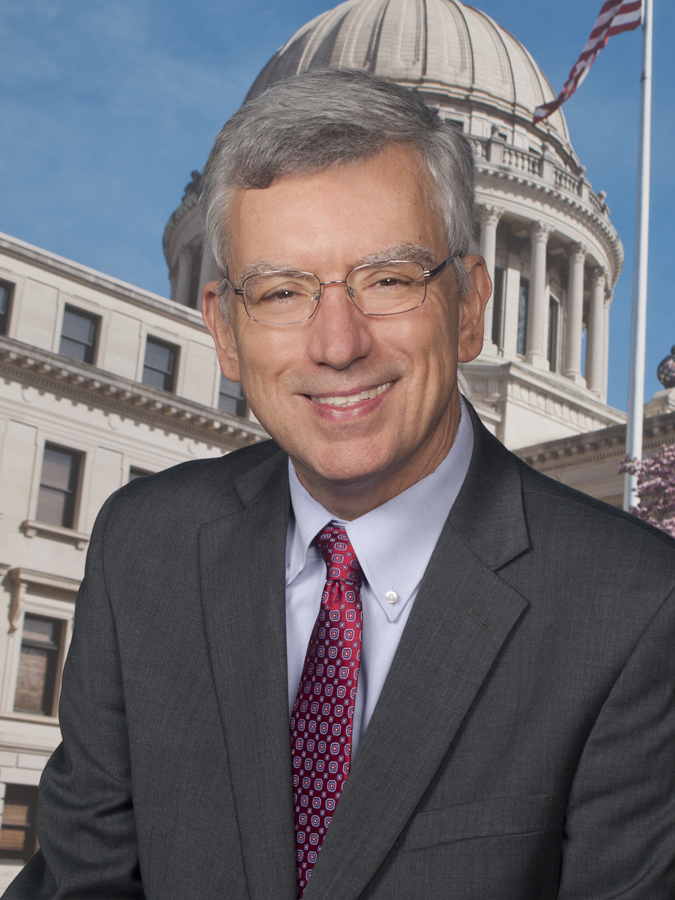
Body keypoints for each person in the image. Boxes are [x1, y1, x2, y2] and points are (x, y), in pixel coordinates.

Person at [5, 68, 675, 900]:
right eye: (282, 291)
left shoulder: (635, 606)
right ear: (222, 327)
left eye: (388, 278)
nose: (335, 343)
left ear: (469, 304)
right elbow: (82, 882)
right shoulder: (147, 546)